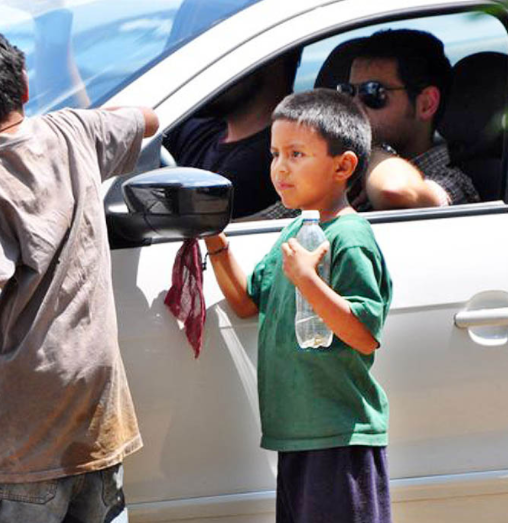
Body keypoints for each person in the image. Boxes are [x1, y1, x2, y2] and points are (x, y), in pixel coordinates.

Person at [0, 22, 159, 523]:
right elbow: (148, 120)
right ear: (23, 87)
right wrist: (85, 118)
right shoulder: (75, 130)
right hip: (97, 410)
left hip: (26, 427)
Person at [204, 89, 393, 522]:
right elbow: (248, 304)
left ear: (343, 166)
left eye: (296, 153)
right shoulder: (295, 230)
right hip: (297, 436)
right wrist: (215, 241)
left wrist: (308, 280)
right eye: (274, 154)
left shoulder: (349, 236)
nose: (279, 168)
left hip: (339, 436)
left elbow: (363, 334)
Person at [250, 29, 479, 221]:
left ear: (426, 104)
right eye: (348, 92)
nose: (355, 105)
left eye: (373, 92)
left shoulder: (452, 181)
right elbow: (257, 226)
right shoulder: (341, 175)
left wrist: (365, 149)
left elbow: (395, 191)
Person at [163, 53, 299, 218]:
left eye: (221, 59)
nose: (205, 71)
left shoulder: (262, 164)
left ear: (271, 62)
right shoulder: (201, 129)